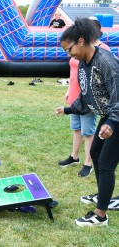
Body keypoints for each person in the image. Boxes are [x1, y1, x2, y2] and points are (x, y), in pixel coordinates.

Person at [56, 18, 119, 226]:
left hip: (116, 117)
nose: (69, 54)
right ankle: (105, 197)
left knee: (106, 162)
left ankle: (100, 216)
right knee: (96, 154)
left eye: (69, 49)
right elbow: (86, 96)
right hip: (108, 117)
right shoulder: (83, 64)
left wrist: (111, 122)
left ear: (81, 41)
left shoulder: (106, 61)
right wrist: (68, 109)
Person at [58, 18, 110, 178]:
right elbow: (74, 73)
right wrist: (69, 90)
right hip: (75, 96)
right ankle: (74, 157)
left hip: (88, 99)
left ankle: (88, 163)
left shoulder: (101, 52)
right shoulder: (77, 52)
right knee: (76, 129)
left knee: (88, 131)